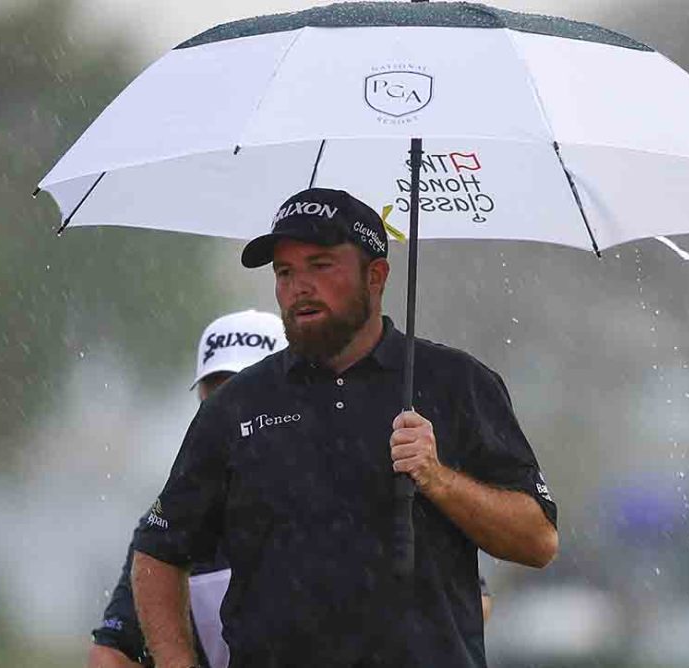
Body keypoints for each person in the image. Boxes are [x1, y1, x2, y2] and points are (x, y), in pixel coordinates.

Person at [131, 188, 558, 668]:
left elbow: (537, 540)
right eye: (285, 272)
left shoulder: (457, 383)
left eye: (321, 265)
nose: (299, 286)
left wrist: (437, 478)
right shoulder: (236, 405)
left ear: (375, 276)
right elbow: (158, 553)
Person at [89, 310, 287, 668]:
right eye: (217, 394)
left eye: (247, 388)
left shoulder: (343, 499)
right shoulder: (174, 520)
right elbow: (112, 655)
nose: (231, 410)